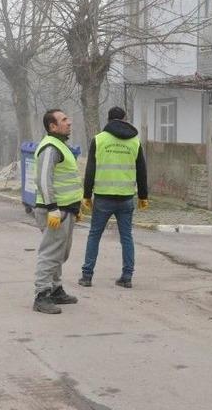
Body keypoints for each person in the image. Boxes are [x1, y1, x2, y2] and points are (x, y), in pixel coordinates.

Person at [79, 106, 148, 289]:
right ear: (124, 119)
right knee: (126, 237)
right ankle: (127, 277)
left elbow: (90, 169)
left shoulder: (99, 140)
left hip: (103, 198)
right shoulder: (135, 141)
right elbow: (141, 170)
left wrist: (86, 194)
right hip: (126, 199)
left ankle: (87, 276)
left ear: (109, 120)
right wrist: (143, 196)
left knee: (94, 235)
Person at [32, 109, 83, 314]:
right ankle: (41, 295)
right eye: (64, 120)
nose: (69, 122)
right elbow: (44, 180)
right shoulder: (51, 147)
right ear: (52, 126)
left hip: (65, 209)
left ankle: (55, 289)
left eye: (67, 118)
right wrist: (52, 208)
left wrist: (75, 207)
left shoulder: (61, 145)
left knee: (60, 252)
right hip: (54, 210)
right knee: (50, 253)